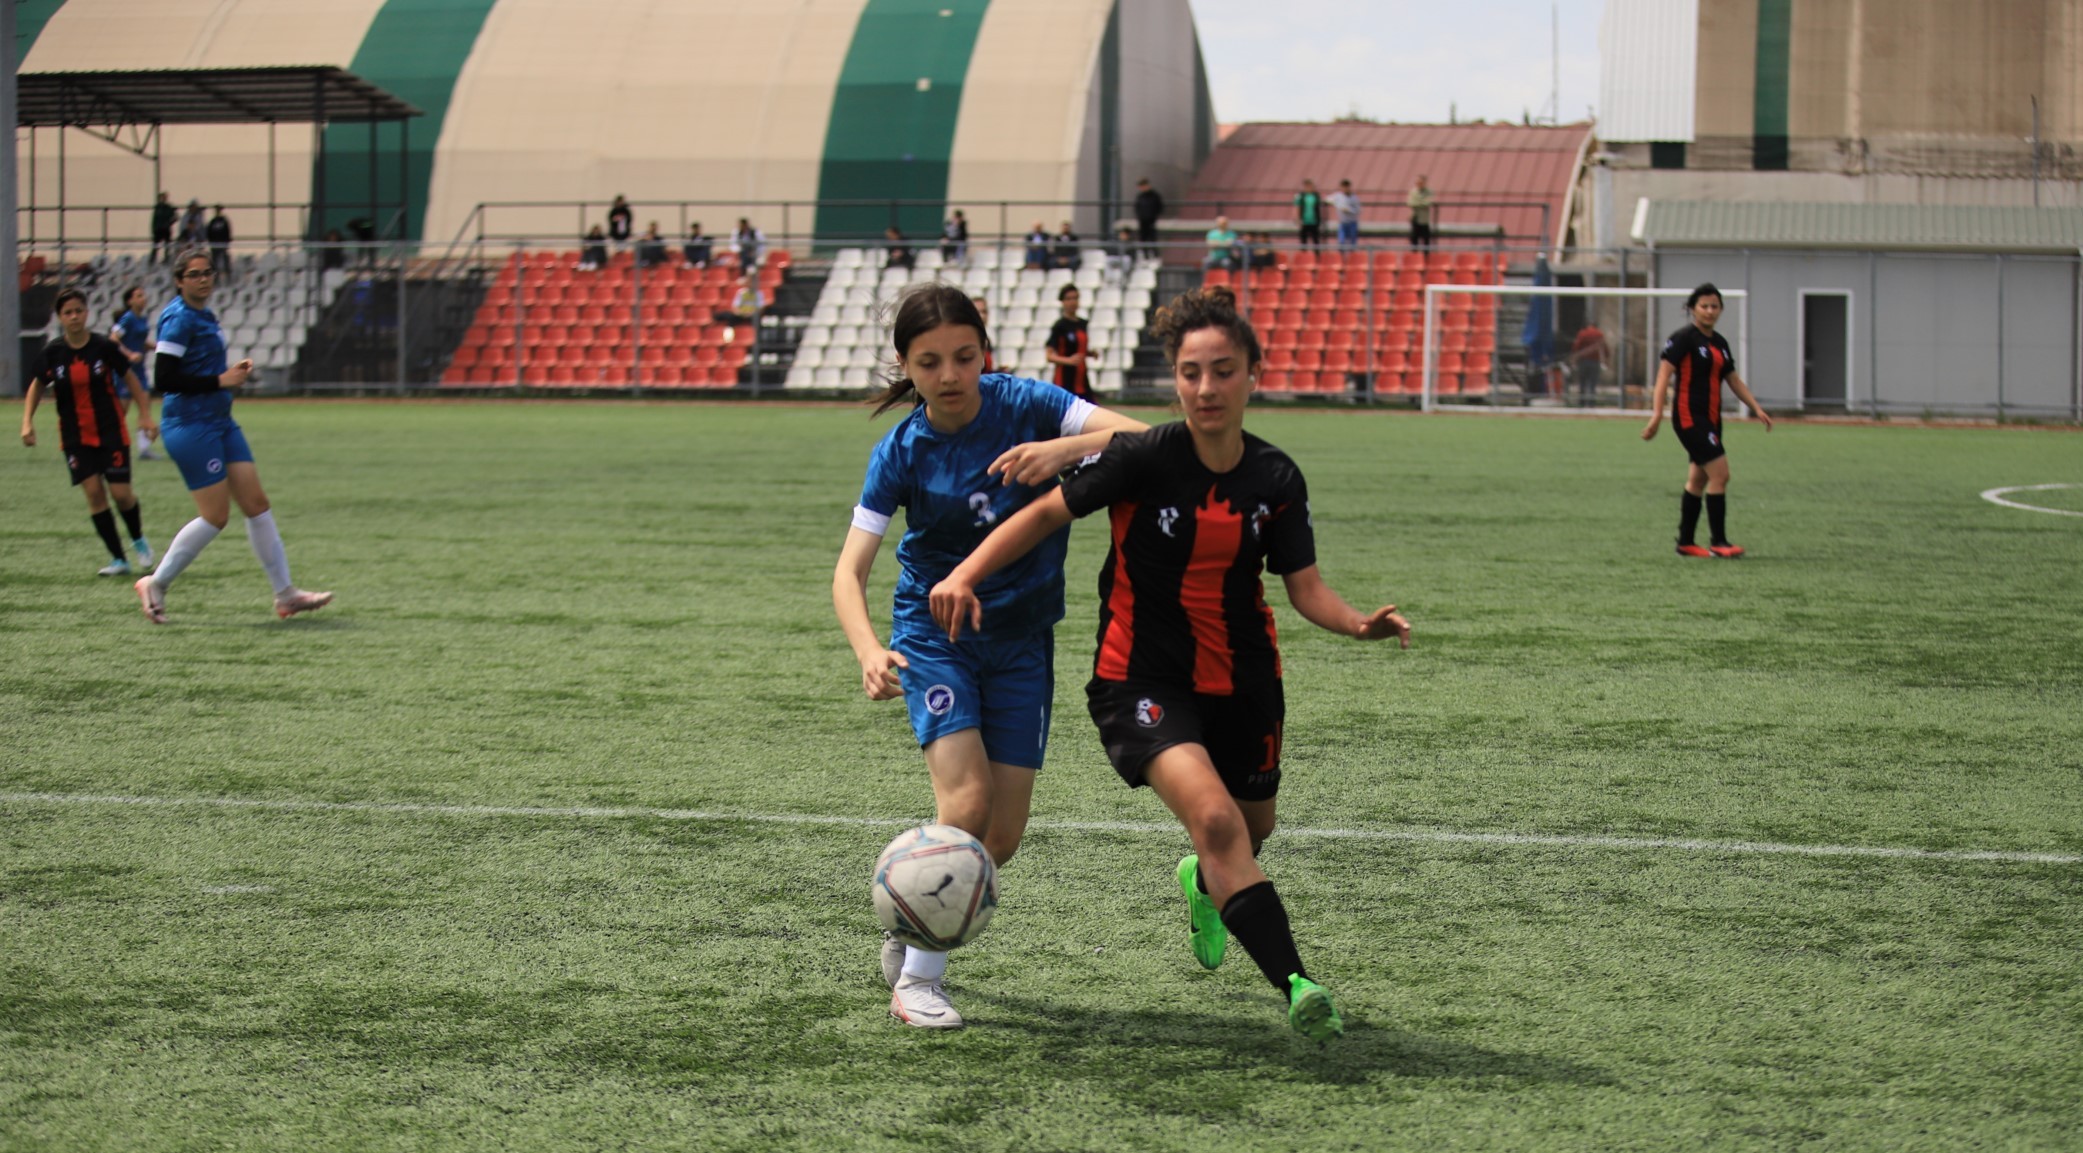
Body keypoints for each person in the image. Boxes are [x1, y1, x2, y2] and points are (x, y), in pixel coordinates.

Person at [928, 285, 1410, 1043]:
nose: (1205, 388)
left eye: (1222, 370)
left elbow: (1305, 588)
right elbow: (1044, 513)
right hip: (1139, 679)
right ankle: (1298, 982)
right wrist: (964, 575)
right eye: (1190, 372)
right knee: (1215, 820)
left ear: (1252, 371)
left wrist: (1357, 624)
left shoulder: (1276, 478)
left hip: (1244, 679)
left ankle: (1204, 882)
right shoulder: (1140, 457)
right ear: (1173, 378)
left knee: (1249, 830)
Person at [833, 284, 1147, 1028]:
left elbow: (1148, 435)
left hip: (1022, 640)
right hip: (932, 637)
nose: (949, 374)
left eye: (964, 356)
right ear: (906, 366)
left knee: (1000, 836)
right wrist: (869, 648)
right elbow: (850, 571)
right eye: (930, 361)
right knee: (966, 804)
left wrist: (1068, 447)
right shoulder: (902, 450)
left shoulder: (1026, 404)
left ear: (986, 352)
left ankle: (909, 911)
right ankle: (916, 982)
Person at [134, 249, 332, 624]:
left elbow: (196, 369)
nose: (203, 279)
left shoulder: (205, 315)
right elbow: (164, 378)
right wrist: (219, 380)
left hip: (220, 421)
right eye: (194, 274)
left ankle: (286, 594)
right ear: (179, 280)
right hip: (191, 426)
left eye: (208, 272)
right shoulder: (177, 319)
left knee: (256, 503)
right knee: (215, 516)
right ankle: (155, 582)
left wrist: (227, 375)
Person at [20, 288, 157, 576]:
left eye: (78, 311)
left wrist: (144, 414)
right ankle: (119, 559)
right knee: (94, 494)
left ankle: (138, 538)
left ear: (87, 313)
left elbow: (130, 379)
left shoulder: (104, 347)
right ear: (60, 317)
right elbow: (37, 385)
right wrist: (27, 422)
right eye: (67, 312)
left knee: (121, 494)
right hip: (74, 437)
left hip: (110, 431)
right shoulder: (53, 353)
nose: (74, 317)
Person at [1642, 283, 1774, 559]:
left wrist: (1756, 407)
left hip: (1712, 419)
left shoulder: (1719, 343)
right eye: (1704, 306)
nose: (1710, 311)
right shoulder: (1683, 338)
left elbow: (1733, 380)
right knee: (1721, 475)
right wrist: (1657, 414)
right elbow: (1663, 376)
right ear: (1693, 309)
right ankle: (1719, 542)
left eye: (1715, 306)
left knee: (1698, 480)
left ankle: (1686, 543)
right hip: (1690, 418)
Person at [111, 286, 159, 460]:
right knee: (120, 412)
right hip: (125, 371)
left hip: (140, 371)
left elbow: (140, 341)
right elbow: (113, 339)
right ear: (130, 300)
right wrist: (129, 354)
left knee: (144, 407)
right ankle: (110, 446)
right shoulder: (128, 318)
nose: (143, 298)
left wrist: (157, 347)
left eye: (143, 295)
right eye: (139, 296)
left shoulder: (142, 318)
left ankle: (144, 449)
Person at [1045, 284, 1093, 399]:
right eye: (1069, 299)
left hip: (1081, 378)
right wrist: (1068, 360)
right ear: (1062, 302)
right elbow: (1049, 356)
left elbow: (1078, 348)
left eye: (1075, 298)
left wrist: (1090, 353)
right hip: (1064, 379)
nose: (1073, 302)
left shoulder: (1082, 324)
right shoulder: (1060, 326)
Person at [711, 270, 765, 336]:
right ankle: (728, 334)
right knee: (729, 317)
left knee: (758, 319)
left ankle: (757, 336)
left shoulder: (759, 294)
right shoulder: (742, 292)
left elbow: (760, 308)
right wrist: (740, 313)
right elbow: (735, 306)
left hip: (752, 315)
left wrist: (751, 313)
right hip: (741, 314)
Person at [1569, 322, 1607, 402]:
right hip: (1595, 362)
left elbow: (1576, 346)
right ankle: (1591, 403)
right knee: (1592, 384)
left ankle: (1582, 402)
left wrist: (1574, 359)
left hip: (1583, 361)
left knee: (1582, 382)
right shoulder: (1599, 334)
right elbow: (1604, 347)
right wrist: (1605, 359)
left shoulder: (1582, 333)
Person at [1134, 177, 1165, 259]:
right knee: (1143, 239)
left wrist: (1153, 215)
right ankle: (1145, 256)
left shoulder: (1154, 196)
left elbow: (1159, 207)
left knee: (1152, 239)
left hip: (1151, 220)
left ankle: (1155, 256)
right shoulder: (1140, 197)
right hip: (1142, 221)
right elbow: (1137, 208)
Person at [1330, 180, 1363, 250]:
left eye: (1346, 187)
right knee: (1341, 242)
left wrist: (1349, 210)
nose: (1345, 189)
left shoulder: (1354, 198)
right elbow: (1328, 199)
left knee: (1352, 242)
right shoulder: (1338, 196)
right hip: (1342, 223)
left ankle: (1352, 257)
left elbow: (1358, 210)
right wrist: (1336, 204)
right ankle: (1341, 258)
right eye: (1343, 187)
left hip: (1352, 223)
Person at [205, 206, 233, 282]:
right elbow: (209, 233)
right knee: (214, 262)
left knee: (225, 261)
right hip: (214, 246)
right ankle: (215, 279)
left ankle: (228, 278)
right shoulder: (212, 222)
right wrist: (211, 243)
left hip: (223, 245)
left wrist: (227, 243)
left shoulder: (224, 221)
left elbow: (228, 232)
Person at [1294, 179, 1324, 248]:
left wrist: (1319, 220)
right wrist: (1298, 219)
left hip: (1314, 222)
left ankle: (1317, 256)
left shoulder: (1316, 195)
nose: (1310, 188)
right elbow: (1298, 207)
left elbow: (1318, 207)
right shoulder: (1301, 196)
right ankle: (1303, 256)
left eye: (1311, 186)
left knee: (1316, 241)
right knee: (1303, 241)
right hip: (1304, 221)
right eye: (1308, 186)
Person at [1407, 175, 1435, 249]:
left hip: (1424, 220)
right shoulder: (1413, 192)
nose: (1418, 183)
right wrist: (1421, 203)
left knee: (1426, 240)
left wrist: (1417, 203)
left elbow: (1428, 203)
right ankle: (1414, 257)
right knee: (1414, 240)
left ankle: (1426, 258)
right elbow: (1410, 203)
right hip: (1415, 218)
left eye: (1420, 182)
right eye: (1417, 182)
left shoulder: (1429, 192)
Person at [150, 192, 178, 264]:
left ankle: (166, 260)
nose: (162, 199)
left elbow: (176, 217)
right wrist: (153, 229)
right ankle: (152, 261)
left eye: (164, 197)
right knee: (155, 247)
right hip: (158, 230)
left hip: (166, 229)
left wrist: (169, 223)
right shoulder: (157, 207)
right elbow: (154, 219)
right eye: (161, 197)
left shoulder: (169, 207)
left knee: (167, 246)